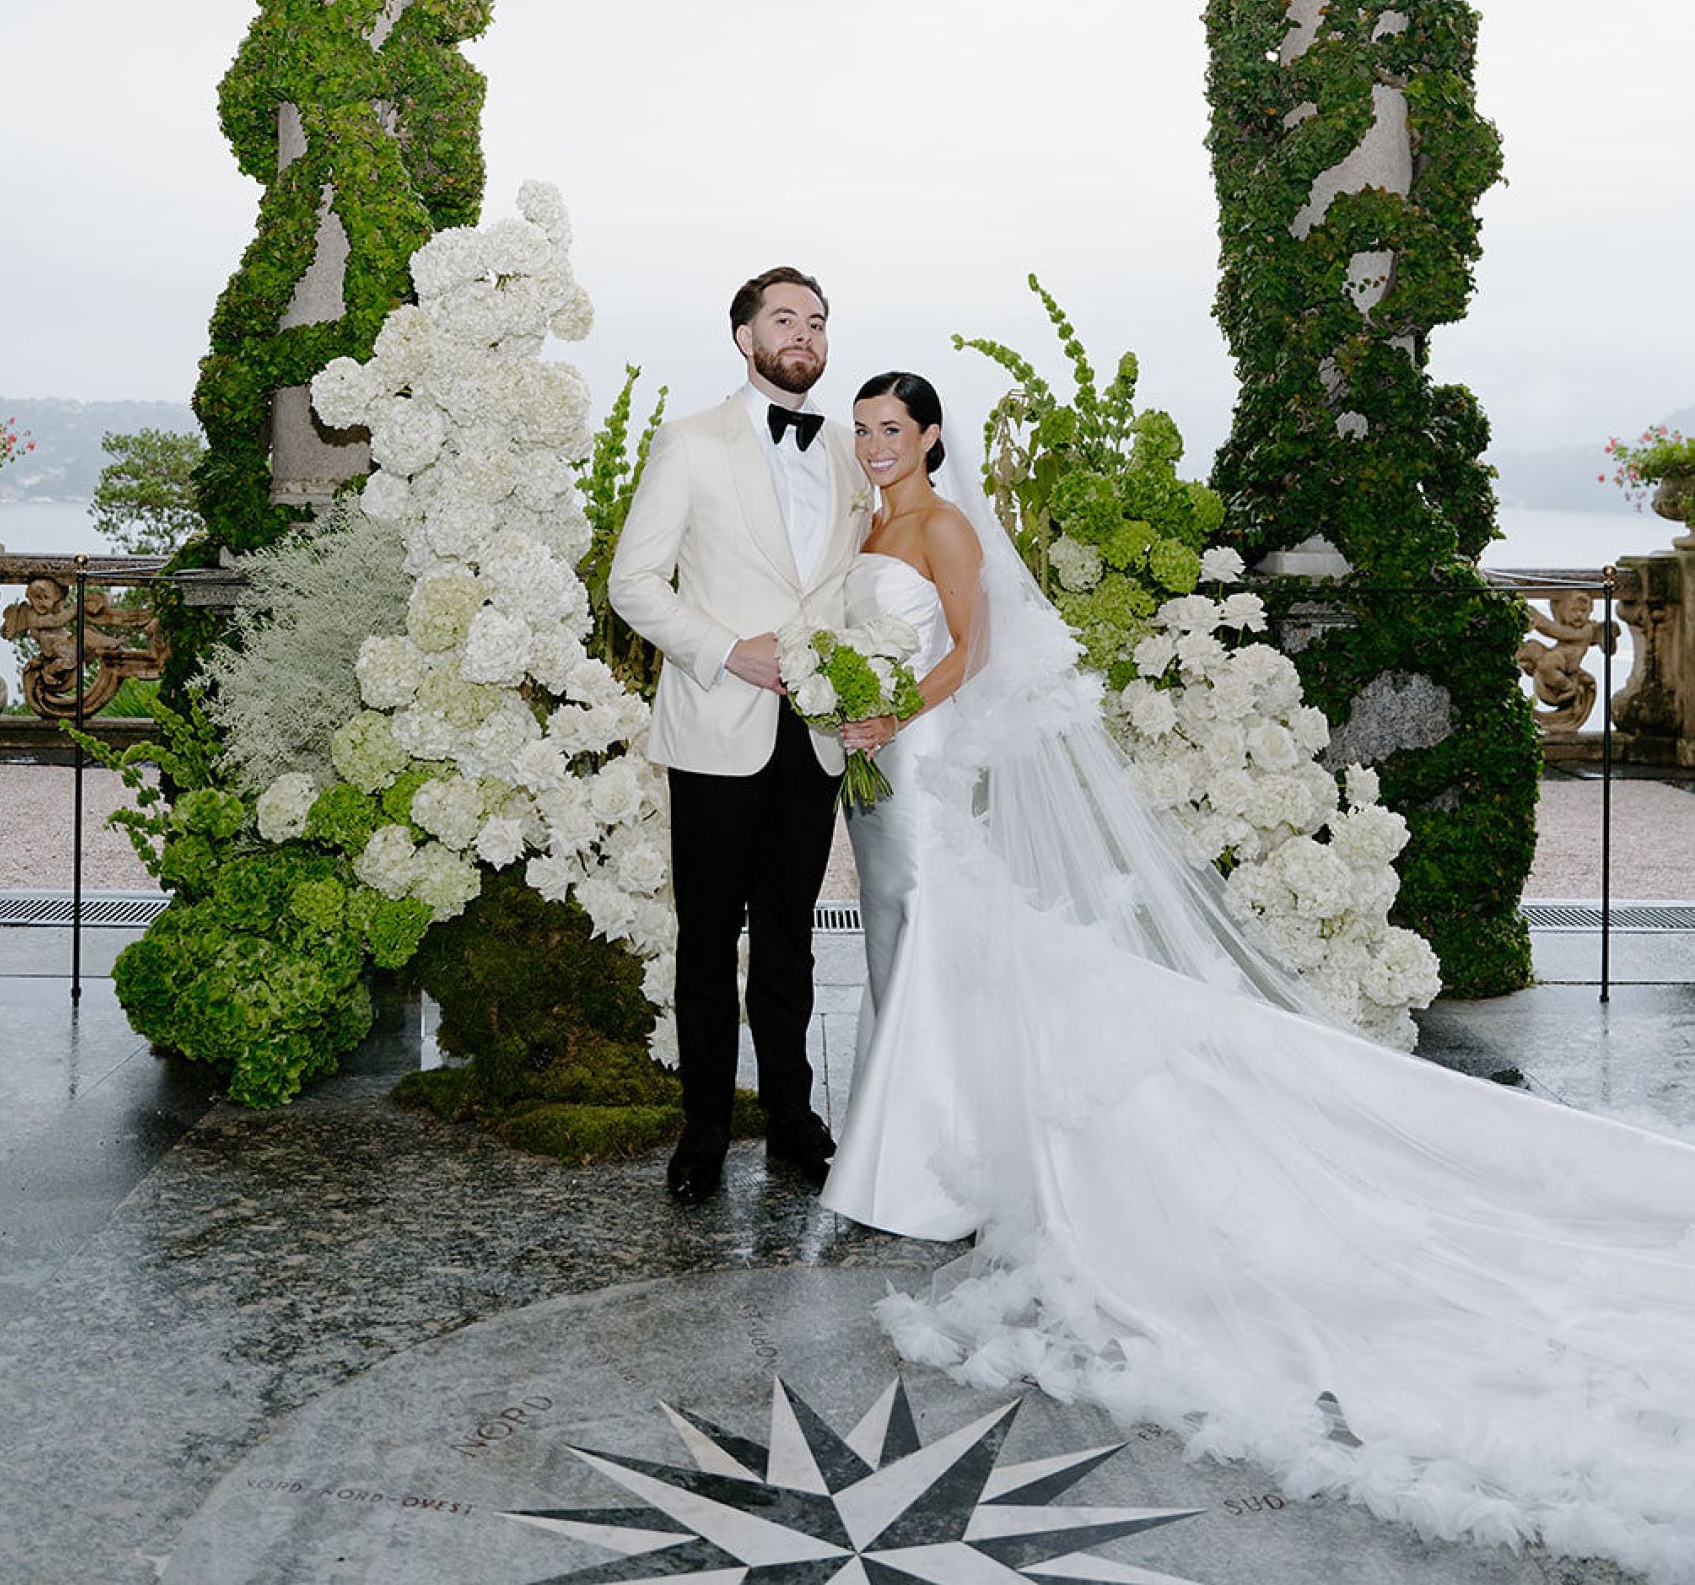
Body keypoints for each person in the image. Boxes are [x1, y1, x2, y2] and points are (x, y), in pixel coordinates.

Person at [822, 371, 1695, 1585]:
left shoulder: (948, 524)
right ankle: (917, 1141)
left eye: (889, 427)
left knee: (943, 940)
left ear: (928, 437)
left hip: (915, 764)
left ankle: (922, 1164)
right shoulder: (863, 521)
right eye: (860, 429)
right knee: (912, 945)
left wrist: (881, 712)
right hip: (875, 765)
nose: (872, 444)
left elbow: (969, 648)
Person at [609, 267, 865, 1203]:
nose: (804, 333)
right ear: (744, 335)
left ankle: (792, 1115)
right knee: (709, 936)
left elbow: (848, 590)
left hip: (815, 733)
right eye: (785, 318)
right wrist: (726, 650)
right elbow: (632, 584)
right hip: (719, 724)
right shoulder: (689, 442)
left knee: (792, 935)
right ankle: (705, 1127)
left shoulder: (848, 454)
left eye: (818, 322)